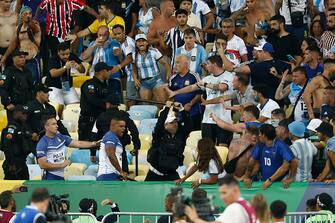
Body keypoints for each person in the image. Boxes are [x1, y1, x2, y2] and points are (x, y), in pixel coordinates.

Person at [167, 55, 234, 146]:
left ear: (214, 64)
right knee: (207, 148)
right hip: (207, 119)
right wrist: (175, 92)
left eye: (208, 64)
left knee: (223, 148)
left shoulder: (229, 75)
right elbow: (191, 87)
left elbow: (222, 87)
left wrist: (205, 84)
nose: (206, 66)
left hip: (224, 118)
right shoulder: (207, 78)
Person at [37, 116, 99, 180]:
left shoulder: (61, 137)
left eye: (56, 123)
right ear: (46, 127)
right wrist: (61, 165)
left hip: (61, 175)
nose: (57, 126)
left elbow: (78, 143)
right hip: (50, 176)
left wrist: (93, 144)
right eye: (53, 124)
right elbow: (42, 164)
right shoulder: (42, 143)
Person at [92, 94, 140, 171]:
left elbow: (94, 134)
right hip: (121, 150)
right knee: (123, 176)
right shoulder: (124, 116)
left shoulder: (101, 116)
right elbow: (134, 131)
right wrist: (136, 146)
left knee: (106, 174)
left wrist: (93, 153)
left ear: (108, 104)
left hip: (105, 152)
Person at [145, 101, 190, 181]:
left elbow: (188, 126)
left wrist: (182, 110)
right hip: (155, 173)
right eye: (171, 122)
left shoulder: (181, 135)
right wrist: (166, 108)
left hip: (171, 173)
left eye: (175, 121)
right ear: (165, 125)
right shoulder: (159, 135)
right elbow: (159, 124)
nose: (175, 124)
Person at [34, 0, 98, 55]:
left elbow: (86, 8)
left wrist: (97, 16)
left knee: (66, 54)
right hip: (52, 33)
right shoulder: (48, 2)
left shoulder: (71, 2)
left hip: (66, 35)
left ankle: (65, 67)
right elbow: (40, 7)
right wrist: (36, 19)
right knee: (56, 53)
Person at [185, 174, 257, 223]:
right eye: (221, 193)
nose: (221, 197)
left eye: (224, 193)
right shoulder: (245, 203)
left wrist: (195, 218)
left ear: (235, 190)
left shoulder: (235, 208)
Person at [243, 124, 295, 189]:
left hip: (279, 183)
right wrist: (247, 176)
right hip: (264, 181)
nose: (258, 135)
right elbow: (252, 161)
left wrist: (290, 177)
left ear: (264, 135)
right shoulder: (260, 145)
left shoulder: (281, 146)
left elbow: (290, 163)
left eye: (259, 133)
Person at [1, 6, 41, 83]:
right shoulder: (18, 28)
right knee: (21, 84)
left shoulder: (35, 25)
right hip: (21, 62)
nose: (28, 15)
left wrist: (29, 20)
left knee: (34, 83)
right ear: (21, 16)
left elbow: (33, 27)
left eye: (30, 13)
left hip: (32, 60)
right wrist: (5, 57)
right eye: (25, 13)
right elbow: (13, 44)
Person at [81, 26, 122, 100]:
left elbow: (117, 52)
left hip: (112, 76)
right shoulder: (93, 43)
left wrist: (116, 52)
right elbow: (83, 57)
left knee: (115, 100)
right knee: (95, 98)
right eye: (100, 35)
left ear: (108, 34)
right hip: (96, 77)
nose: (102, 37)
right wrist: (94, 46)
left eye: (104, 35)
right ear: (97, 34)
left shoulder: (113, 43)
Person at [78, 62, 110, 148]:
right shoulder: (89, 84)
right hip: (88, 121)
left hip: (100, 121)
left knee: (99, 146)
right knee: (86, 147)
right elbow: (92, 99)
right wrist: (105, 105)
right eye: (108, 70)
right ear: (102, 72)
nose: (109, 72)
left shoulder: (105, 85)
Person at [0, 105, 36, 180]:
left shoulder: (23, 126)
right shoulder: (12, 127)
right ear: (16, 113)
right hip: (14, 163)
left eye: (26, 114)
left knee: (25, 186)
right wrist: (11, 164)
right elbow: (7, 146)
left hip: (22, 161)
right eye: (23, 113)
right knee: (11, 188)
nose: (25, 115)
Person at [131, 34, 169, 103]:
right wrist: (135, 79)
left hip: (156, 80)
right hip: (143, 83)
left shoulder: (153, 51)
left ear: (147, 43)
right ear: (136, 44)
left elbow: (165, 64)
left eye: (143, 41)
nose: (141, 43)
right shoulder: (134, 55)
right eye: (139, 41)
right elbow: (133, 69)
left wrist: (168, 74)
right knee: (146, 105)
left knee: (161, 103)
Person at [168, 54, 202, 131]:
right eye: (175, 63)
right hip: (178, 111)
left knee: (193, 133)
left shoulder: (194, 76)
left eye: (178, 62)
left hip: (192, 110)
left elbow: (200, 93)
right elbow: (170, 95)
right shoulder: (173, 78)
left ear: (186, 64)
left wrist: (190, 103)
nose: (175, 65)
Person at [0, 49, 34, 120]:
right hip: (15, 106)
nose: (23, 59)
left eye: (24, 57)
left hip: (27, 104)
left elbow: (32, 88)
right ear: (13, 58)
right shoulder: (8, 71)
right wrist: (7, 103)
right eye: (20, 57)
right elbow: (3, 88)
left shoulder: (27, 71)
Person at [111, 24, 138, 105]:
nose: (117, 36)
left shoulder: (127, 44)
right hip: (132, 72)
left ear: (124, 32)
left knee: (130, 98)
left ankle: (131, 115)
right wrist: (120, 55)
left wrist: (119, 66)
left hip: (133, 74)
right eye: (115, 34)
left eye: (119, 33)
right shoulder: (122, 42)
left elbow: (130, 58)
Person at [97, 115, 128, 181]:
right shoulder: (110, 137)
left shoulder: (114, 137)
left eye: (124, 126)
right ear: (112, 126)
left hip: (113, 175)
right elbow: (111, 155)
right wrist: (121, 171)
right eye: (121, 126)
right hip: (107, 175)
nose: (124, 128)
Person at [0, 0, 17, 64]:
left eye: (10, 2)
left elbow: (18, 35)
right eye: (6, 2)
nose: (9, 4)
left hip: (13, 49)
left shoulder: (15, 15)